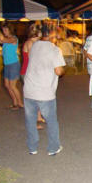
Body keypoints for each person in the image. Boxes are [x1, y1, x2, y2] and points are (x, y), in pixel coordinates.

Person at [23, 24, 65, 155]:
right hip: (44, 92)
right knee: (51, 121)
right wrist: (64, 68)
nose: (58, 36)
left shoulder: (34, 45)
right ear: (52, 35)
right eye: (57, 34)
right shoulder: (55, 50)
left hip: (29, 89)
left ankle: (32, 148)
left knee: (30, 120)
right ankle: (53, 148)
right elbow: (58, 71)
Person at [0, 21, 23, 110]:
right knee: (7, 85)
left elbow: (1, 38)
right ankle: (15, 103)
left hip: (14, 64)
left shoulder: (14, 39)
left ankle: (20, 103)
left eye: (6, 30)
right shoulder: (5, 39)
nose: (4, 31)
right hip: (7, 65)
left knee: (12, 86)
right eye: (3, 30)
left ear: (10, 30)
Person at [20, 24, 45, 129]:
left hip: (33, 72)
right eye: (41, 32)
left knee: (37, 96)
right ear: (37, 33)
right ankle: (33, 122)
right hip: (28, 72)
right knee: (32, 98)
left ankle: (38, 117)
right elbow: (32, 60)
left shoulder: (35, 43)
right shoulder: (30, 43)